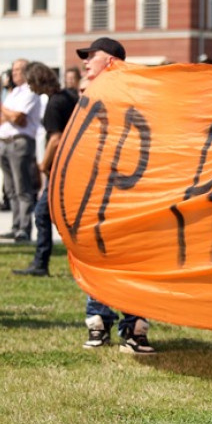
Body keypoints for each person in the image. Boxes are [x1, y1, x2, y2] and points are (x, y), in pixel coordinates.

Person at [74, 38, 155, 354]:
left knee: (130, 261)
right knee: (98, 259)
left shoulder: (130, 93)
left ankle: (134, 327)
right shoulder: (88, 93)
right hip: (95, 194)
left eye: (92, 56)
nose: (85, 62)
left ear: (110, 61)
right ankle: (98, 322)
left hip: (126, 192)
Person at [13, 62, 77, 277]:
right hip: (73, 165)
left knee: (42, 213)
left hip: (60, 168)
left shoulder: (54, 104)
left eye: (31, 82)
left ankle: (41, 263)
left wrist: (43, 164)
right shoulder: (68, 97)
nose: (30, 87)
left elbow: (56, 139)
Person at [0, 57, 42, 242]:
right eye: (13, 70)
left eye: (17, 70)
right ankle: (15, 226)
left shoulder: (30, 91)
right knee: (10, 189)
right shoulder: (13, 93)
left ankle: (24, 227)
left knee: (22, 187)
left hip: (20, 142)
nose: (13, 73)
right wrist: (8, 112)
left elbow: (18, 118)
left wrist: (4, 109)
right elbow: (5, 117)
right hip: (5, 141)